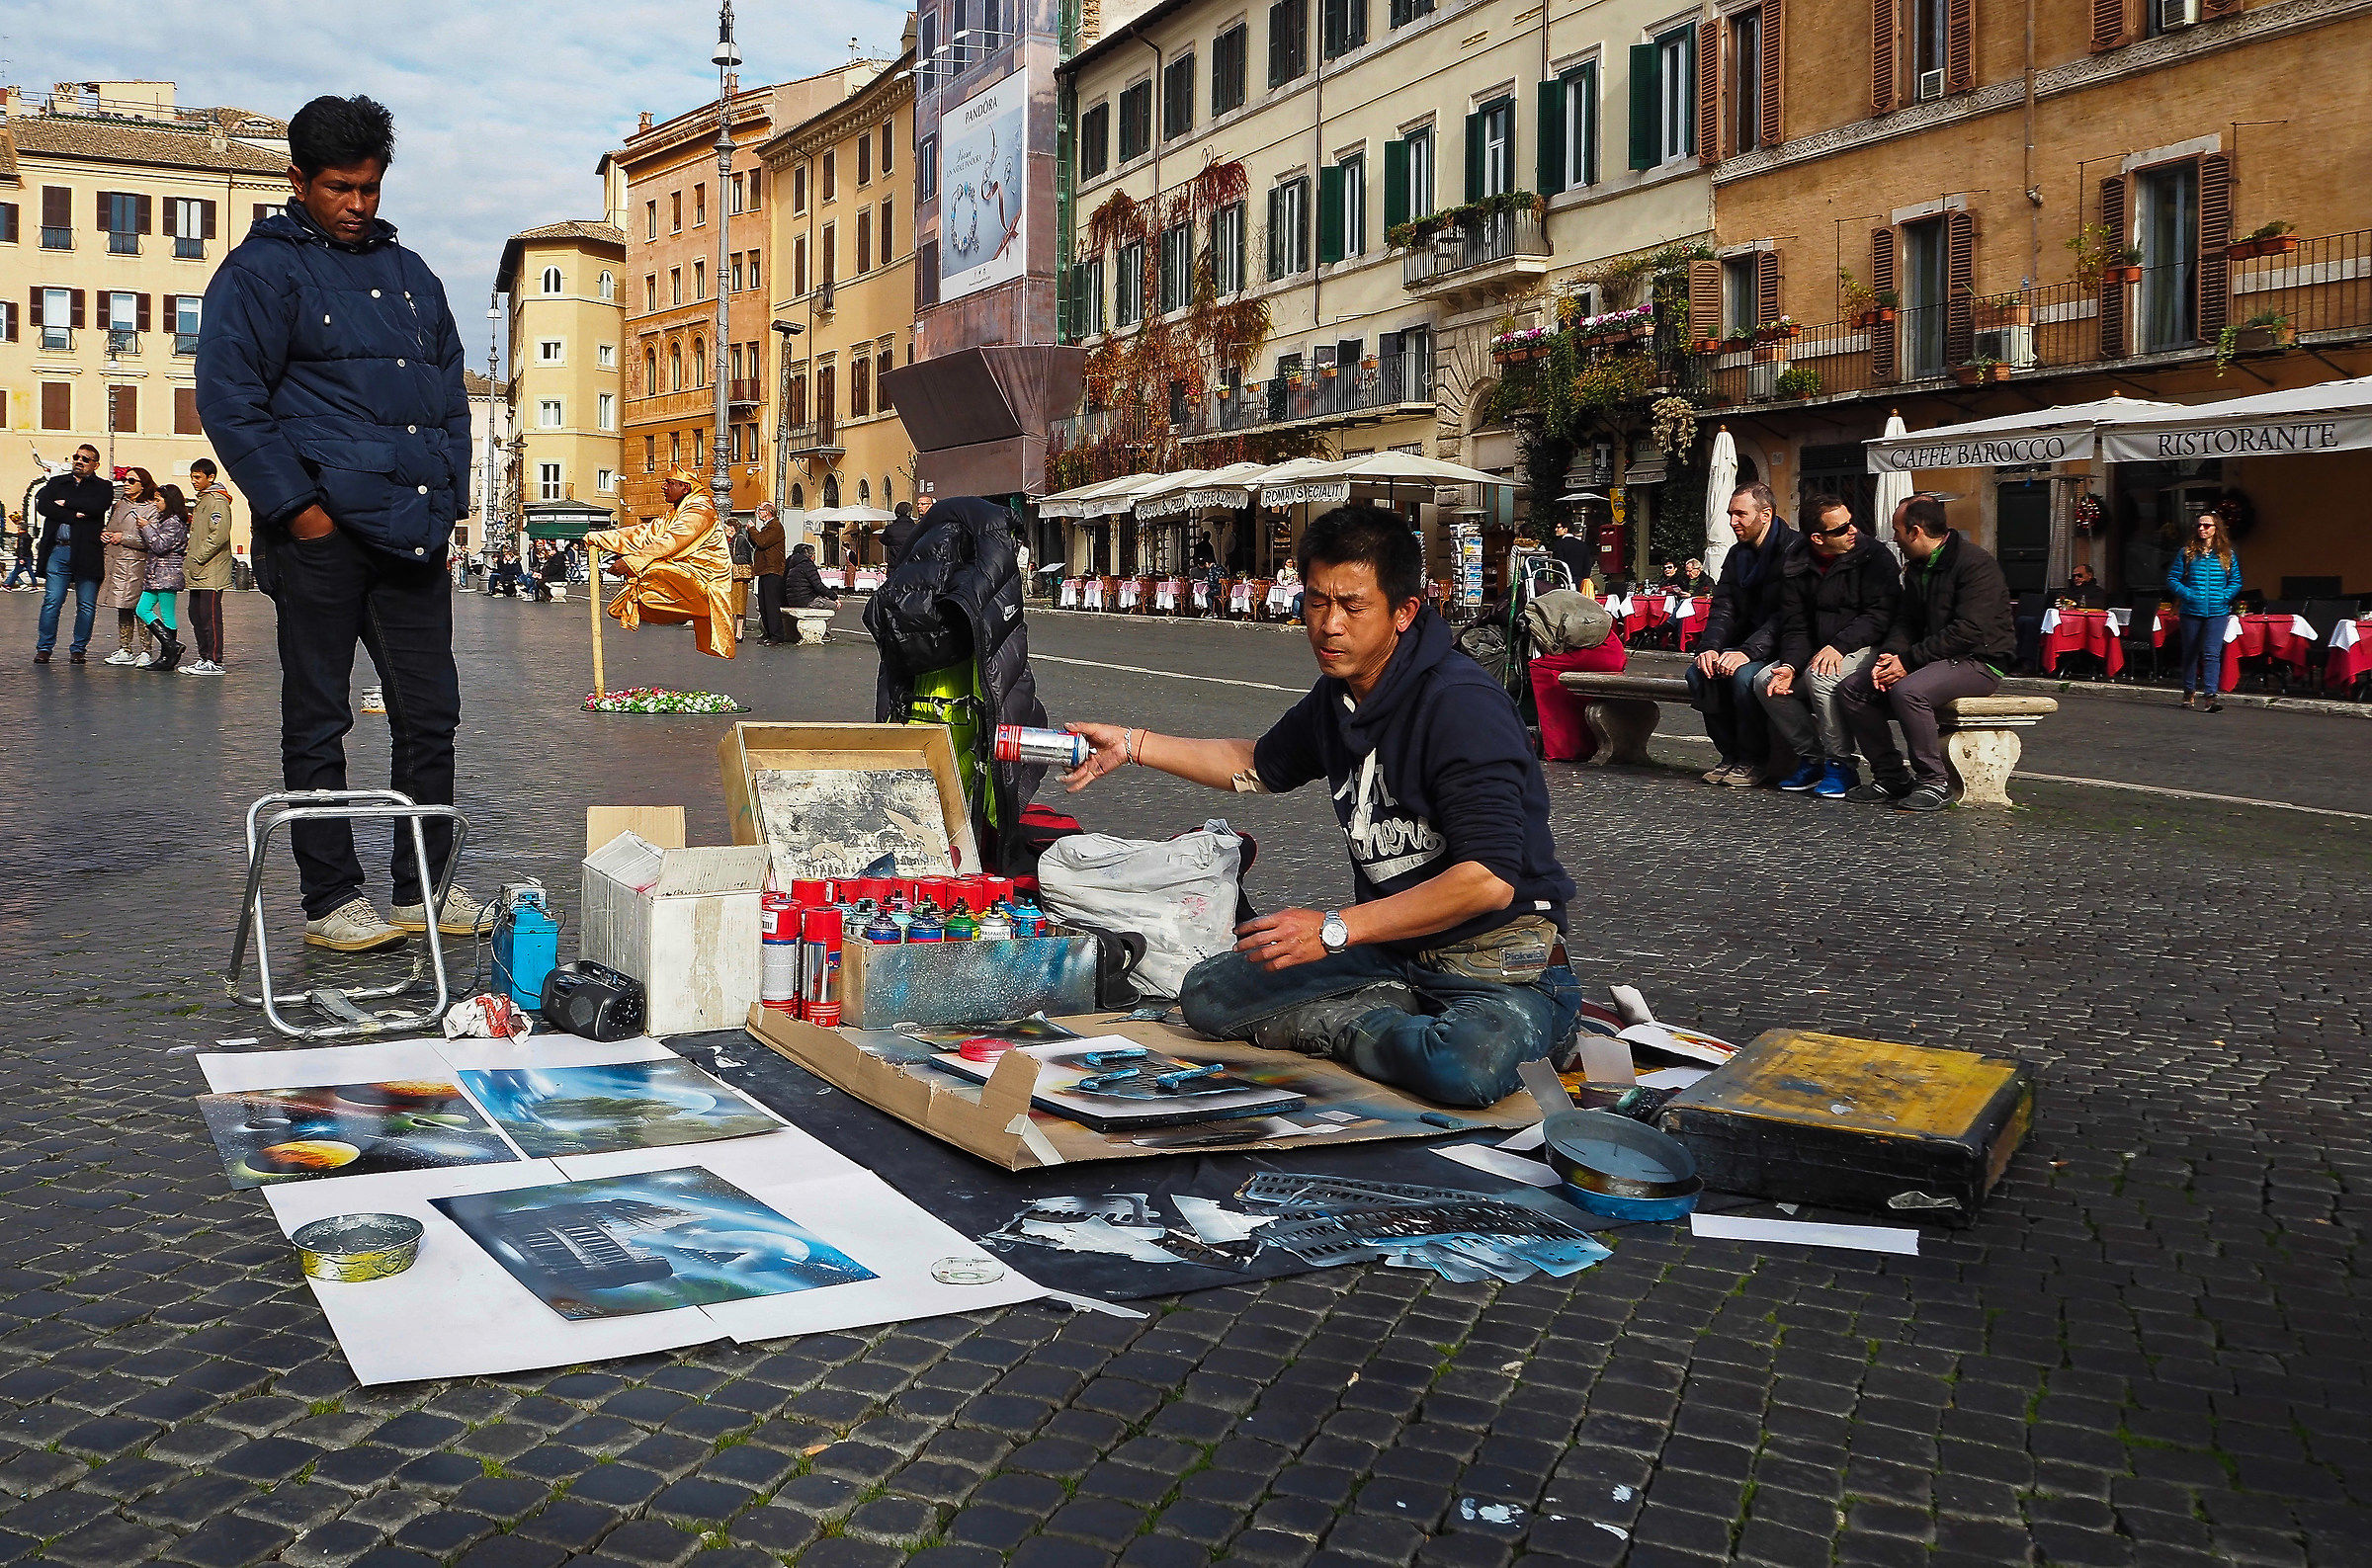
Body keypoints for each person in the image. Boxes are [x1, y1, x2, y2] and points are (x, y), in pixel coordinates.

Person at [1059, 505, 1580, 1109]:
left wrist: (1335, 931)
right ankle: (1380, 1026)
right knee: (1209, 993)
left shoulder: (1461, 705)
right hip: (1390, 955)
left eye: (1353, 607)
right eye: (1316, 603)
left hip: (1499, 963)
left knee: (1464, 1065)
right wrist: (1134, 744)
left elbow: (1486, 881)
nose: (1329, 626)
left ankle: (1381, 1028)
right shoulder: (1338, 698)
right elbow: (1253, 764)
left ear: (1403, 613)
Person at [198, 93, 485, 951]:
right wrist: (302, 513)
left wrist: (449, 510)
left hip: (411, 537)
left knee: (431, 714)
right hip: (320, 537)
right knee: (318, 718)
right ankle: (331, 900)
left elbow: (449, 403)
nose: (359, 204)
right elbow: (229, 400)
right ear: (298, 179)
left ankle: (422, 891)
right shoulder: (259, 273)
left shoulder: (416, 277)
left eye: (370, 186)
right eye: (338, 187)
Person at [1837, 496, 2016, 811]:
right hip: (1934, 657)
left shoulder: (1975, 564)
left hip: (1980, 660)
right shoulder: (1917, 567)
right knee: (1853, 690)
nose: (1894, 538)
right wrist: (1890, 655)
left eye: (1897, 530)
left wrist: (1907, 662)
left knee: (1908, 692)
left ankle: (1934, 780)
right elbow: (1906, 620)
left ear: (1915, 531)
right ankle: (1890, 775)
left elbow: (1969, 630)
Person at [1757, 495, 1901, 799]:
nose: (1853, 530)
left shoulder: (1874, 556)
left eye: (1851, 522)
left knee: (1821, 677)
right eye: (1842, 528)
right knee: (1765, 681)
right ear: (1817, 538)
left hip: (1868, 646)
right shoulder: (1795, 562)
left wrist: (1839, 645)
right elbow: (1795, 624)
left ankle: (1842, 765)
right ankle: (1812, 756)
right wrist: (1789, 665)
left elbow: (1881, 615)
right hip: (1818, 647)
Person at [1687, 484, 1799, 786]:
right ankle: (1730, 753)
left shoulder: (1793, 549)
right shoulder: (1737, 554)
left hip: (1783, 644)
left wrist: (1747, 652)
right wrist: (1709, 647)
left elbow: (1788, 616)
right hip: (1743, 642)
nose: (1733, 521)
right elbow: (1724, 606)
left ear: (1766, 514)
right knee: (1700, 672)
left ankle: (1754, 758)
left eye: (1740, 514)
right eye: (1730, 514)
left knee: (1743, 678)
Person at [585, 467, 736, 657]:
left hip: (705, 580)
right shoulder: (674, 513)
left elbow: (672, 540)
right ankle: (670, 609)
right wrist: (599, 538)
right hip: (687, 573)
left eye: (670, 483)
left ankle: (695, 609)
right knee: (618, 606)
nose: (663, 487)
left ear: (685, 488)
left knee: (652, 571)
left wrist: (631, 562)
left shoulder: (701, 508)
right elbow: (645, 534)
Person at [1526, 591, 1628, 764]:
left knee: (1540, 668)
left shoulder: (1556, 607)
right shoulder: (1587, 613)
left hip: (1596, 657)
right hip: (1613, 653)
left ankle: (1562, 746)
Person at [33, 446, 112, 663]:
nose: (79, 461)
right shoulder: (57, 482)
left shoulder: (103, 487)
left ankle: (78, 649)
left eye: (85, 459)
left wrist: (66, 504)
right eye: (77, 457)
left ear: (96, 464)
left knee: (86, 605)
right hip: (58, 550)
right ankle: (44, 648)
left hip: (87, 551)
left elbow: (98, 506)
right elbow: (44, 506)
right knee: (52, 601)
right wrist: (76, 514)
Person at [2166, 510, 2243, 712]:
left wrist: (2224, 596)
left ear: (2216, 529)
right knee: (2191, 653)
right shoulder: (2187, 552)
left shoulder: (2227, 555)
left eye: (2206, 525)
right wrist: (2189, 595)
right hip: (2191, 611)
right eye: (2199, 525)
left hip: (2217, 612)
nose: (2201, 529)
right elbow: (2173, 579)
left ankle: (2210, 696)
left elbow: (2236, 581)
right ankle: (2189, 691)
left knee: (2212, 653)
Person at [100, 468, 159, 666]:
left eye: (131, 480)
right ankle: (125, 648)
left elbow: (152, 538)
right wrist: (105, 535)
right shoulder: (120, 505)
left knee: (140, 608)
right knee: (122, 607)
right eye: (124, 479)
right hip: (116, 560)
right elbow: (111, 526)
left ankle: (146, 650)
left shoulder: (151, 508)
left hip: (137, 563)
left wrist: (124, 538)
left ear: (143, 485)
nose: (126, 483)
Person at [182, 458, 234, 674]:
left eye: (197, 477)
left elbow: (219, 534)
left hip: (210, 569)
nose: (193, 481)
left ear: (210, 477)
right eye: (192, 477)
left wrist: (198, 557)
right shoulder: (204, 500)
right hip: (199, 569)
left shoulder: (217, 502)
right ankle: (204, 657)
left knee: (209, 615)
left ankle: (214, 659)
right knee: (196, 613)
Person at [782, 539, 839, 640]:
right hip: (805, 600)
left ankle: (795, 633)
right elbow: (819, 586)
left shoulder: (791, 564)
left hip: (791, 600)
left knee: (823, 601)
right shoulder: (807, 565)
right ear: (811, 556)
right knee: (832, 606)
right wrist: (835, 597)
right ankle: (824, 633)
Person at [748, 501, 788, 644]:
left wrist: (752, 529)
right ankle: (768, 633)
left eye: (760, 510)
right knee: (763, 604)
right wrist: (750, 532)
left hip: (773, 570)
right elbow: (757, 543)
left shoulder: (775, 526)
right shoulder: (767, 527)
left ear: (768, 511)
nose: (758, 512)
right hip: (765, 570)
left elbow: (762, 542)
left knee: (771, 604)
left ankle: (777, 635)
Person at [1547, 518, 1595, 589]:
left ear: (1565, 529)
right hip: (1581, 580)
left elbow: (1558, 563)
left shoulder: (1559, 544)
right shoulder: (1582, 545)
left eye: (1558, 527)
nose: (1556, 529)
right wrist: (1584, 577)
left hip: (1565, 579)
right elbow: (1588, 563)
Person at [882, 500, 921, 567]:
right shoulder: (916, 528)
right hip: (911, 565)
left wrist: (892, 543)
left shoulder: (890, 529)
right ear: (909, 513)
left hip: (894, 564)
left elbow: (882, 539)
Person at [4, 515, 35, 591]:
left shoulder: (21, 537)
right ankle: (34, 585)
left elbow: (21, 548)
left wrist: (21, 557)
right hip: (29, 556)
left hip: (23, 557)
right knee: (30, 571)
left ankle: (9, 585)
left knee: (15, 571)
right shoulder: (28, 536)